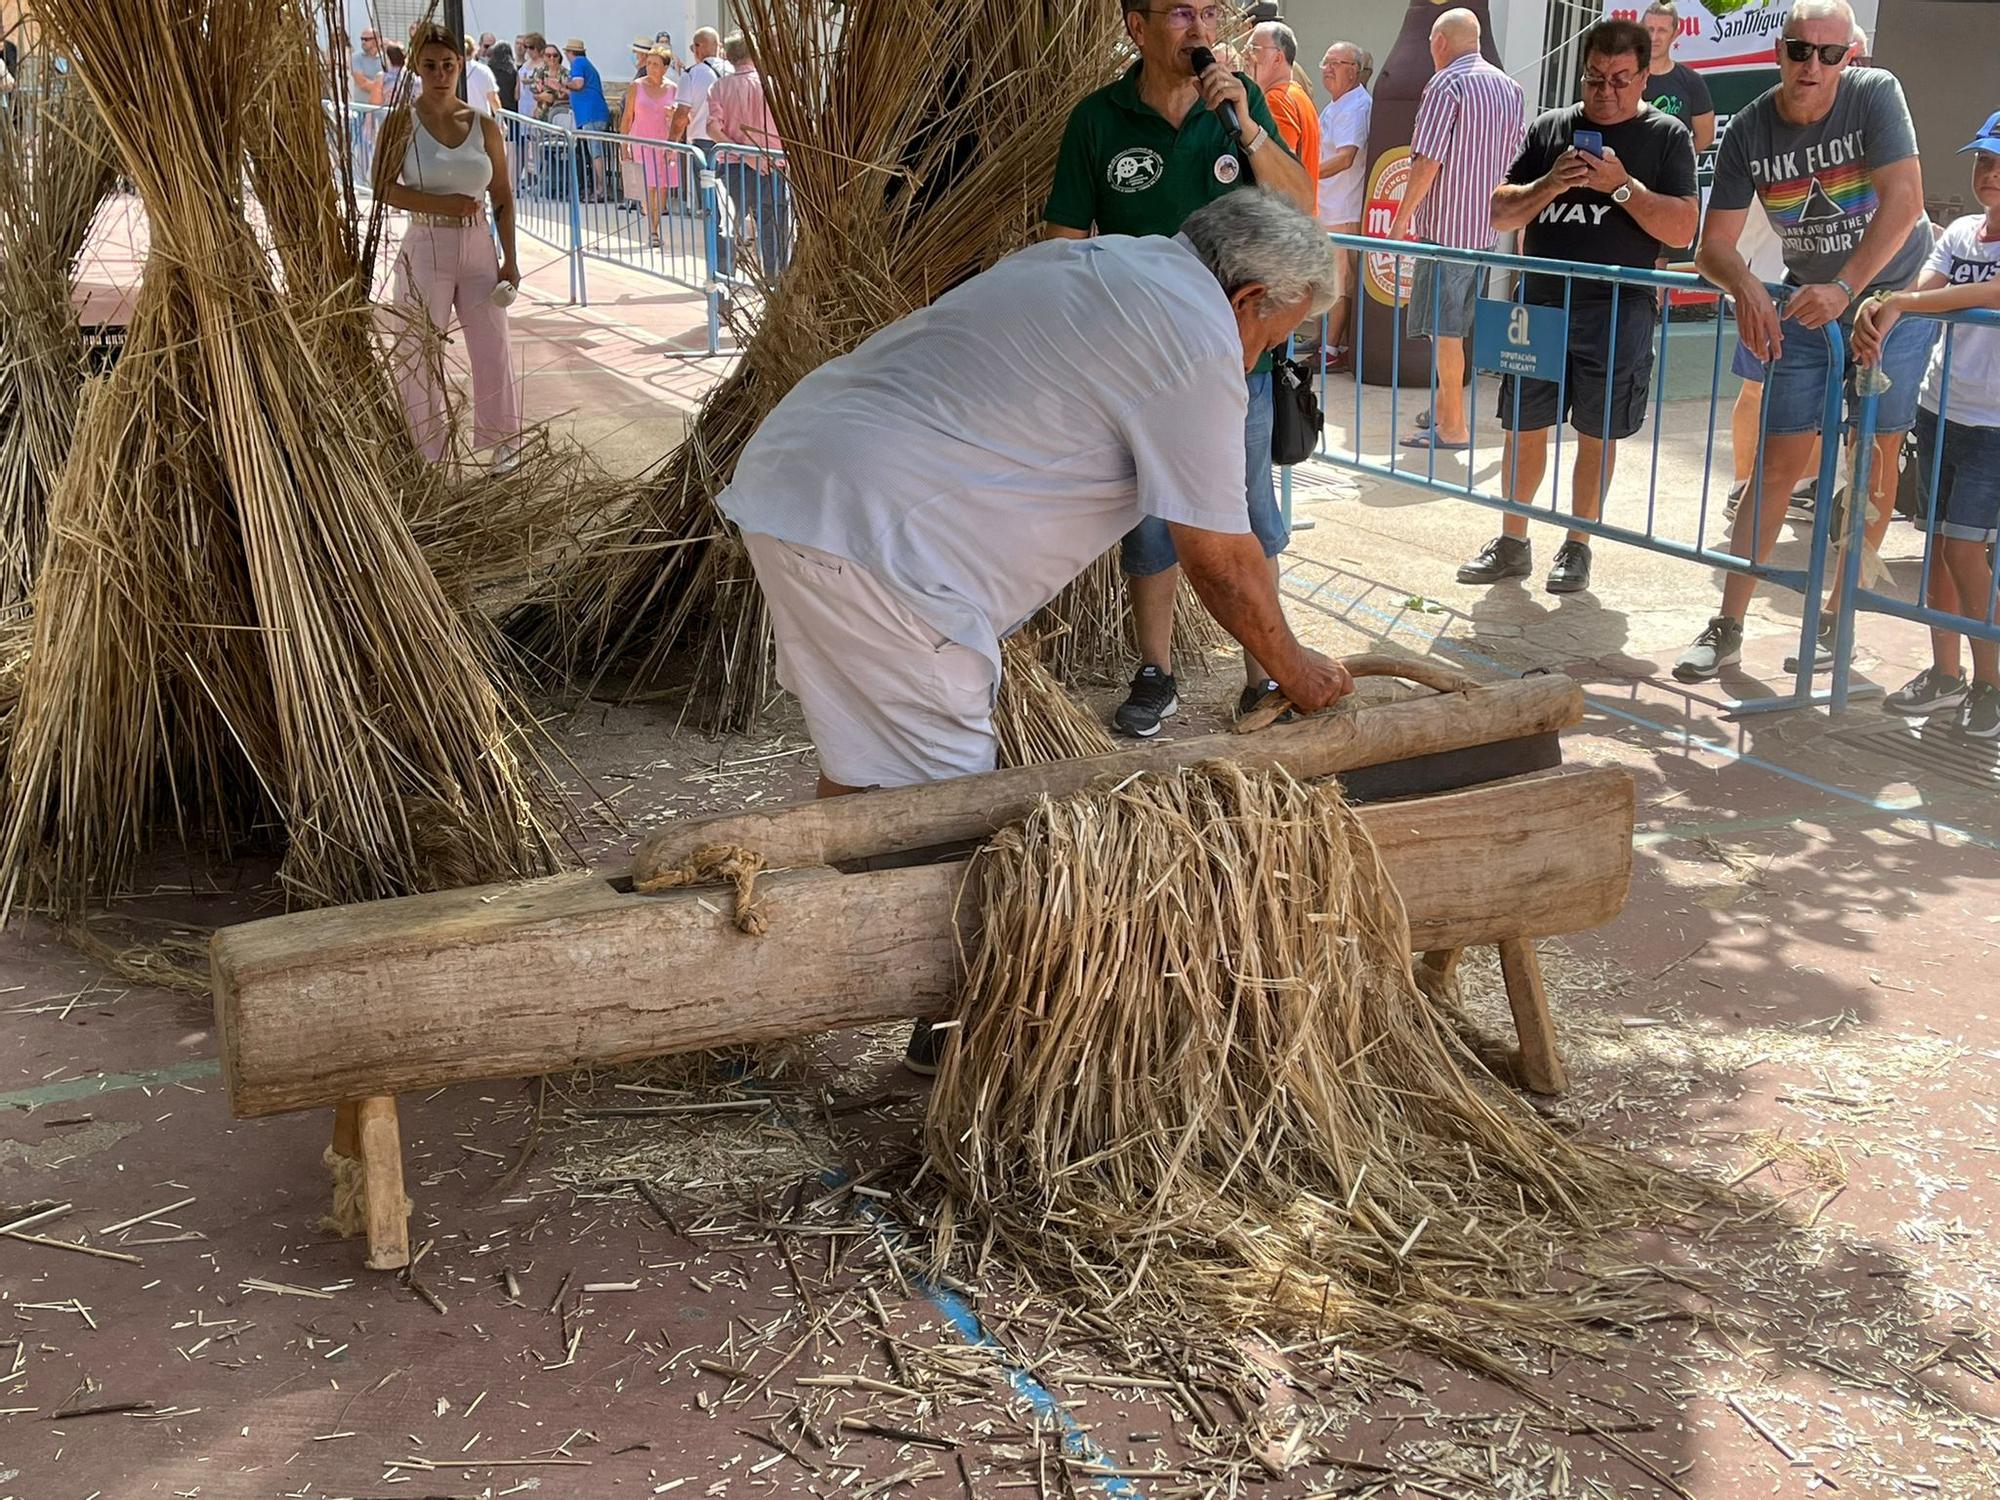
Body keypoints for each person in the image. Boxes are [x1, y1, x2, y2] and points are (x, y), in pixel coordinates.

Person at [718, 191, 1350, 1072]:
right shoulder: (1195, 337)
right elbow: (1221, 558)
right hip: (880, 540)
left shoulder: (1102, 262)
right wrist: (1298, 672)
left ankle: (760, 971)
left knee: (868, 780)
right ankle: (947, 1039)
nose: (1261, 359)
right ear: (1247, 299)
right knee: (949, 818)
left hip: (801, 482)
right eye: (1274, 337)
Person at [1043, 0, 1316, 735]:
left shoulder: (1240, 102)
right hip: (1144, 370)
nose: (1200, 29)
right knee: (1154, 527)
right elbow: (1064, 242)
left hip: (1239, 361)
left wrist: (1250, 129)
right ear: (1137, 26)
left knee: (1251, 519)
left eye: (1209, 12)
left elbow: (1301, 208)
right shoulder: (1097, 119)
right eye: (1180, 13)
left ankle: (1264, 678)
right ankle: (1155, 672)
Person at [1672, 0, 1933, 683]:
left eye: (1829, 52)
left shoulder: (1877, 95)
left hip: (1892, 299)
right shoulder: (1752, 127)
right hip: (1809, 300)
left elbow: (1905, 202)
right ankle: (1727, 623)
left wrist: (1850, 289)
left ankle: (1834, 621)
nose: (1812, 64)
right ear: (1779, 51)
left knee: (1873, 458)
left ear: (1851, 56)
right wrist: (1749, 286)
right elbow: (1712, 248)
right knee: (1777, 465)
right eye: (1799, 50)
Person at [1454, 19, 1699, 596]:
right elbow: (1499, 212)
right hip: (1538, 307)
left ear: (1643, 77)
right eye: (1594, 78)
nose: (1605, 91)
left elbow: (1684, 227)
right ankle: (1512, 542)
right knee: (1524, 427)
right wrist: (1551, 184)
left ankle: (1577, 545)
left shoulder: (1666, 137)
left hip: (1616, 310)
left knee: (1599, 432)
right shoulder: (1550, 128)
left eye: (1619, 79)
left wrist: (1620, 186)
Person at [1852, 111, 2000, 738]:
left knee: (1968, 550)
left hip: (1993, 425)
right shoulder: (1964, 231)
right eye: (1984, 160)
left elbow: (1984, 295)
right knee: (1939, 550)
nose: (1990, 173)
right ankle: (1946, 675)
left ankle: (1991, 683)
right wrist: (1879, 310)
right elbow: (1924, 285)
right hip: (1943, 411)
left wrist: (1903, 302)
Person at [374, 23, 521, 466]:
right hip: (425, 242)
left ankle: (504, 441)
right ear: (417, 68)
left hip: (477, 244)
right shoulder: (403, 122)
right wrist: (440, 202)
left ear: (462, 66)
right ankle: (428, 452)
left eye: (449, 65)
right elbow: (381, 186)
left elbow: (502, 194)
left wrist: (509, 259)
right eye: (431, 65)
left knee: (491, 342)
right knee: (419, 349)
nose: (440, 73)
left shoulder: (484, 125)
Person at [1387, 8, 1525, 453]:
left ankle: (1453, 426)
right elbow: (1516, 161)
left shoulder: (1447, 83)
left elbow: (1426, 160)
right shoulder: (1510, 87)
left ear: (1440, 42)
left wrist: (1401, 219)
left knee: (1444, 331)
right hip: (1485, 230)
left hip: (1446, 230)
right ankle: (1447, 412)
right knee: (1455, 329)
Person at [709, 34, 791, 280]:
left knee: (726, 230)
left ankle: (723, 292)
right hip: (771, 166)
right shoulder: (773, 85)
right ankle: (775, 291)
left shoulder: (719, 87)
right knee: (773, 232)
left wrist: (742, 153)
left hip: (734, 168)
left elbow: (713, 128)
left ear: (729, 56)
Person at [1316, 42, 1373, 372]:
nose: (1327, 68)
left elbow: (1345, 157)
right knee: (1328, 280)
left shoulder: (1355, 106)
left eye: (1335, 62)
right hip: (1328, 207)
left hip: (1344, 209)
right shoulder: (1338, 104)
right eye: (1325, 61)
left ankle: (1333, 347)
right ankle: (1325, 340)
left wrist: (1305, 173)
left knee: (1341, 282)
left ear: (1354, 71)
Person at [621, 46, 681, 247]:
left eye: (656, 64)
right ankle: (652, 230)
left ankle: (656, 224)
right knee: (649, 185)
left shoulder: (673, 88)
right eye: (649, 64)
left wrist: (673, 117)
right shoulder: (636, 86)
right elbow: (628, 116)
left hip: (664, 141)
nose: (651, 68)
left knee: (662, 187)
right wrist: (624, 144)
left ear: (665, 67)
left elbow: (683, 118)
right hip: (642, 140)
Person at [1641, 1, 1715, 154]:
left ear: (1675, 33)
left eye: (1662, 30)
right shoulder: (1625, 78)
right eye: (1650, 29)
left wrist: (1676, 160)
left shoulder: (1692, 81)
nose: (1654, 37)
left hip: (1672, 176)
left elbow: (1706, 136)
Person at [1248, 22, 1319, 178]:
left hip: (1283, 202)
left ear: (1278, 58)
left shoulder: (1276, 100)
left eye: (1254, 49)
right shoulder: (1299, 95)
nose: (1246, 56)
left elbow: (1280, 168)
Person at [563, 38, 612, 200]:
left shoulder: (578, 63)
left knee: (595, 152)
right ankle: (600, 187)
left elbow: (578, 84)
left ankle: (600, 189)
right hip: (591, 113)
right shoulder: (585, 63)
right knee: (594, 151)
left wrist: (565, 82)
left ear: (570, 53)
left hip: (591, 114)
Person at [675, 27, 732, 156]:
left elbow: (681, 114)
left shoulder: (691, 74)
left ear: (697, 47)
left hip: (702, 142)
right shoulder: (734, 71)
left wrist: (672, 143)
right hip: (732, 143)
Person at [464, 37, 500, 117]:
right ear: (474, 50)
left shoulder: (452, 70)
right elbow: (493, 99)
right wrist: (501, 122)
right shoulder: (484, 71)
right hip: (482, 119)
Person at [350, 25, 384, 106]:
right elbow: (361, 82)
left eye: (367, 39)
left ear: (376, 40)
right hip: (362, 107)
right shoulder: (356, 58)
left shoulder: (386, 59)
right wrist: (381, 89)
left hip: (381, 108)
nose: (363, 42)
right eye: (362, 39)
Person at [486, 40, 517, 121]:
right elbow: (516, 95)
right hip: (510, 110)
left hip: (495, 108)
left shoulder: (489, 69)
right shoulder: (513, 70)